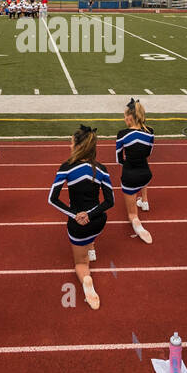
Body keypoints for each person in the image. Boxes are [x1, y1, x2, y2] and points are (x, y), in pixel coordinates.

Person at [47, 125, 114, 309]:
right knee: (90, 231)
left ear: (78, 146)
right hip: (98, 221)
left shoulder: (66, 167)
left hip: (78, 224)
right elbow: (110, 202)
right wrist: (90, 214)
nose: (69, 145)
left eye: (71, 142)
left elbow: (52, 199)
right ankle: (91, 248)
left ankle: (86, 279)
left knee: (80, 263)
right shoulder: (101, 169)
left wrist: (76, 215)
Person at [115, 98, 155, 244]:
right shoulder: (150, 132)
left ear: (130, 118)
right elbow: (148, 153)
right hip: (146, 176)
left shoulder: (122, 134)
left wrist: (129, 165)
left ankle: (139, 227)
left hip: (130, 178)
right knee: (141, 165)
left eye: (125, 117)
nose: (124, 119)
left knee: (132, 215)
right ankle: (144, 201)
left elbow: (119, 159)